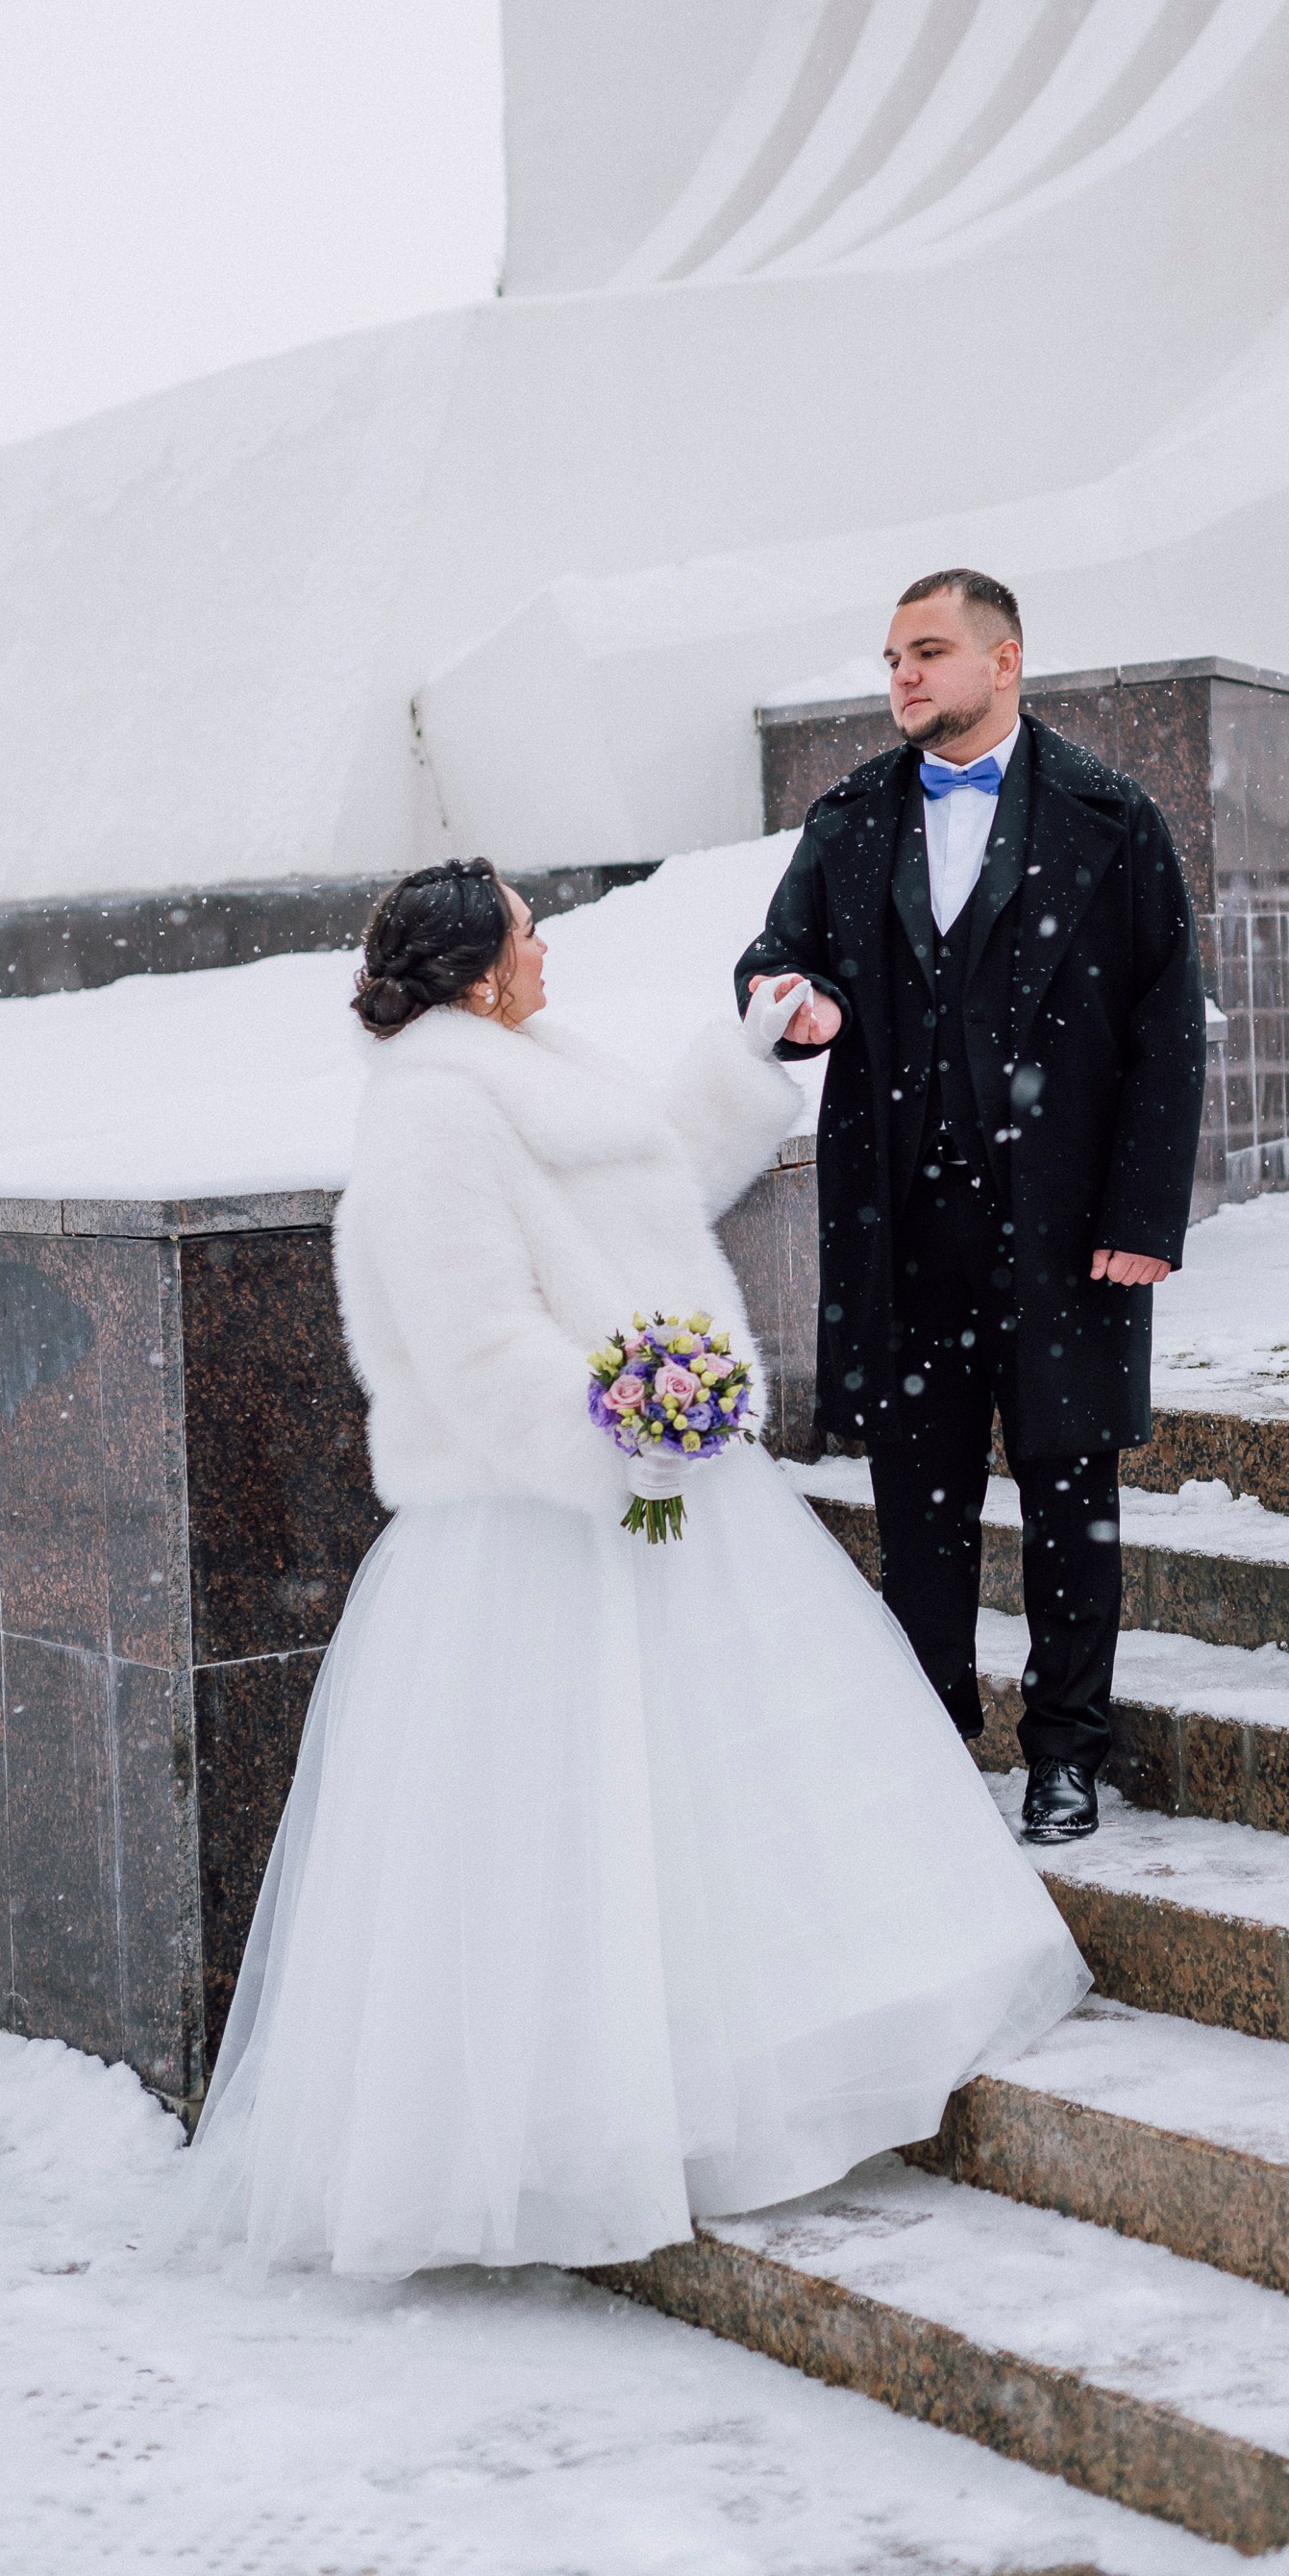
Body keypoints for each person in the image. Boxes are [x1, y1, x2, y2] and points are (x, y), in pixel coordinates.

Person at [183, 856, 1086, 2281]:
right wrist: (619, 1442)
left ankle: (736, 2077)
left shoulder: (531, 1064)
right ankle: (583, 2134)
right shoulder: (432, 1111)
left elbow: (651, 1183)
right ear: (480, 971)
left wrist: (746, 1058)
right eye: (527, 931)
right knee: (574, 1831)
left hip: (665, 1493)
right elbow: (474, 1339)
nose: (547, 946)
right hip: (543, 1522)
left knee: (705, 1803)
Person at [735, 571, 1207, 1848]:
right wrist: (792, 1003)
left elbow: (1167, 1024)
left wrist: (1143, 1215)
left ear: (1005, 662)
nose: (902, 676)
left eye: (928, 652)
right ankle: (932, 1741)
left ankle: (1067, 1753)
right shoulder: (851, 818)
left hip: (1067, 1228)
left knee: (1069, 1497)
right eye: (893, 657)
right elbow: (773, 959)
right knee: (918, 1506)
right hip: (902, 1229)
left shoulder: (1113, 816)